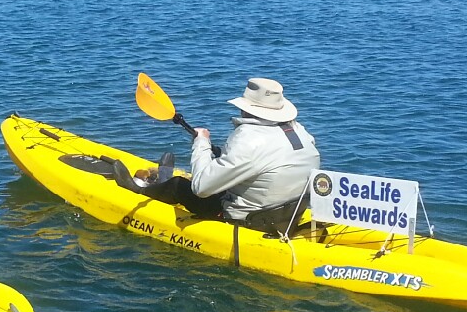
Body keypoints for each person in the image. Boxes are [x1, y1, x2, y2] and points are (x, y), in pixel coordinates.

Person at [114, 77, 320, 228]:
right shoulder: (301, 132)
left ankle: (138, 190)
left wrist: (201, 143)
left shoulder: (248, 138)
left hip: (250, 220)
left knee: (179, 185)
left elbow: (201, 188)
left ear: (247, 107)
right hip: (288, 214)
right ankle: (159, 185)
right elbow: (263, 162)